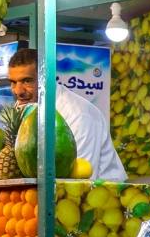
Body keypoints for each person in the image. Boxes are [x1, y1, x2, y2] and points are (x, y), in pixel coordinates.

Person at [7, 45, 126, 181]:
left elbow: (80, 178)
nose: (18, 91)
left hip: (102, 197)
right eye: (13, 82)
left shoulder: (78, 115)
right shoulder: (25, 108)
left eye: (27, 81)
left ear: (47, 77)